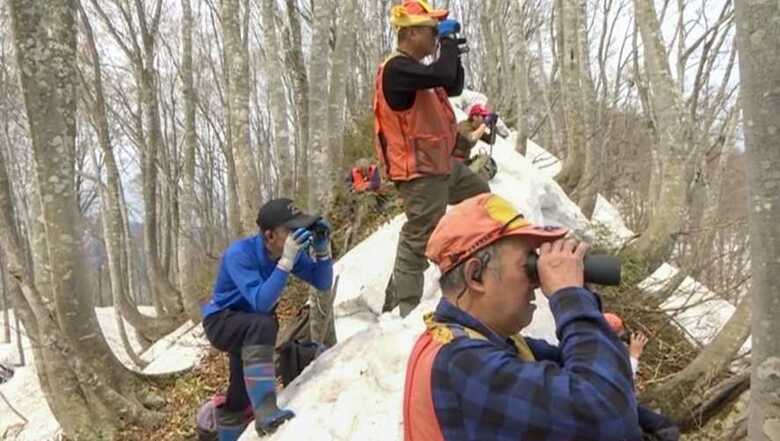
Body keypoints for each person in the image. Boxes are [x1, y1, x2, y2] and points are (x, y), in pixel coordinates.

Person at [403, 193, 642, 441]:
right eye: (528, 266)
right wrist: (570, 296)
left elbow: (606, 376)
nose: (537, 282)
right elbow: (607, 414)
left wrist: (579, 288)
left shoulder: (476, 343)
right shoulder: (461, 363)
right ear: (476, 276)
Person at [373, 0, 490, 317]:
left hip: (440, 164)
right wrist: (449, 43)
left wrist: (453, 52)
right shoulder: (397, 69)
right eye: (430, 31)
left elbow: (451, 81)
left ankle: (473, 263)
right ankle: (405, 309)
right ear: (410, 34)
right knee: (419, 236)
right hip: (419, 171)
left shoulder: (416, 72)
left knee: (480, 197)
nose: (435, 37)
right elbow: (441, 70)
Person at [201, 198, 333, 439]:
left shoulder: (287, 252)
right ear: (270, 236)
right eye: (291, 230)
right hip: (221, 322)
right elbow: (260, 302)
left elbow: (323, 283)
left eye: (300, 228)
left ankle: (226, 428)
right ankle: (266, 413)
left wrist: (322, 251)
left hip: (249, 325)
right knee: (264, 322)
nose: (298, 235)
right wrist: (286, 262)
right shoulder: (239, 254)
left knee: (240, 396)